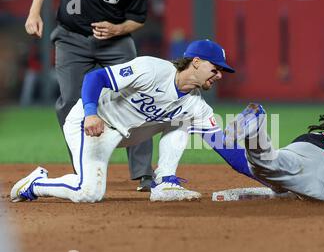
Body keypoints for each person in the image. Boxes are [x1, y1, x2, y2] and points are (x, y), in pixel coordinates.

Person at [10, 39, 253, 203]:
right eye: (216, 68)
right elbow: (95, 78)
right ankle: (35, 185)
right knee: (88, 192)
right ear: (196, 62)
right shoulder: (152, 69)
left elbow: (226, 148)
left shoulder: (196, 104)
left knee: (185, 117)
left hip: (128, 133)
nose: (220, 75)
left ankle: (165, 182)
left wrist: (275, 177)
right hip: (91, 124)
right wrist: (91, 112)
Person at [24, 0, 154, 191]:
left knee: (134, 99)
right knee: (69, 102)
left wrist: (118, 29)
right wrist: (34, 12)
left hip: (116, 41)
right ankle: (81, 169)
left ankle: (144, 172)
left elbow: (138, 17)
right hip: (70, 39)